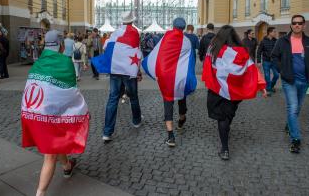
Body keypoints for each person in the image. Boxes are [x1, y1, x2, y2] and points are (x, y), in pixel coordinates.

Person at [21, 30, 89, 196]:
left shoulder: (38, 63)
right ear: (60, 45)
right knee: (49, 156)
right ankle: (40, 192)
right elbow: (71, 90)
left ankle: (66, 166)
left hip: (33, 112)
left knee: (56, 142)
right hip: (51, 115)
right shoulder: (65, 62)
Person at [202, 25, 266, 160]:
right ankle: (226, 128)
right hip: (235, 91)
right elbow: (251, 69)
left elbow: (206, 67)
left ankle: (225, 149)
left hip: (217, 89)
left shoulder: (213, 50)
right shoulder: (242, 51)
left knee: (222, 118)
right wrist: (260, 85)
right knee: (228, 115)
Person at [142, 18, 197, 147]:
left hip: (166, 75)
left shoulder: (166, 37)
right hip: (180, 76)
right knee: (181, 96)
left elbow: (157, 53)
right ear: (183, 28)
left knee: (168, 101)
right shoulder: (187, 41)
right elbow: (190, 60)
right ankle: (182, 118)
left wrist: (150, 66)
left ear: (173, 26)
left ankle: (171, 136)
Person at [92, 11, 143, 143]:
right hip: (128, 70)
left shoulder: (116, 32)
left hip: (115, 70)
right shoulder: (134, 32)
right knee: (133, 96)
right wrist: (138, 70)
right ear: (132, 20)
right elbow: (136, 51)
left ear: (122, 20)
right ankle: (136, 121)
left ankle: (107, 132)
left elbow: (107, 47)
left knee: (113, 98)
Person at [271, 15, 309, 154]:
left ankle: (289, 125)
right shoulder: (282, 41)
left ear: (304, 25)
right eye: (294, 23)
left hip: (304, 81)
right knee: (293, 107)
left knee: (298, 107)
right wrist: (282, 71)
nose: (297, 25)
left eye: (300, 23)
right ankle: (295, 139)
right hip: (289, 80)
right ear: (291, 25)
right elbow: (274, 57)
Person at [256, 26, 279, 96]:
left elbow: (279, 51)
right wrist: (259, 61)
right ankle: (268, 89)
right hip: (266, 61)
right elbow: (259, 52)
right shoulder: (263, 41)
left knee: (276, 75)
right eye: (274, 32)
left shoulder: (276, 41)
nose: (275, 33)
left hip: (274, 62)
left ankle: (271, 86)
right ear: (269, 32)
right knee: (267, 76)